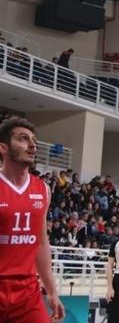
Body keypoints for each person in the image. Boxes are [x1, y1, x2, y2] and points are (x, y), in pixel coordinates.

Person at [0, 117, 65, 322]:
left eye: (33, 140)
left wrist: (52, 291)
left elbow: (41, 242)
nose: (32, 145)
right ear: (3, 147)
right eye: (23, 139)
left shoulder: (43, 189)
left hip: (28, 293)